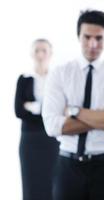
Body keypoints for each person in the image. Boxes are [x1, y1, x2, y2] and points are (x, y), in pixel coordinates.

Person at [42, 10, 104, 200]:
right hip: (68, 166)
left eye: (99, 38)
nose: (92, 44)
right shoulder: (60, 73)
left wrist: (74, 112)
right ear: (79, 36)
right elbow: (52, 126)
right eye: (87, 37)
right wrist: (103, 116)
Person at [14, 38, 59, 200]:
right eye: (37, 50)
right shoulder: (24, 79)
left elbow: (60, 110)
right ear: (31, 54)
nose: (40, 54)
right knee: (31, 182)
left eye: (44, 50)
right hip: (30, 140)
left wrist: (32, 107)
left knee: (52, 182)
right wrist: (45, 109)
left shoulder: (56, 79)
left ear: (50, 54)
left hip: (52, 139)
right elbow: (18, 111)